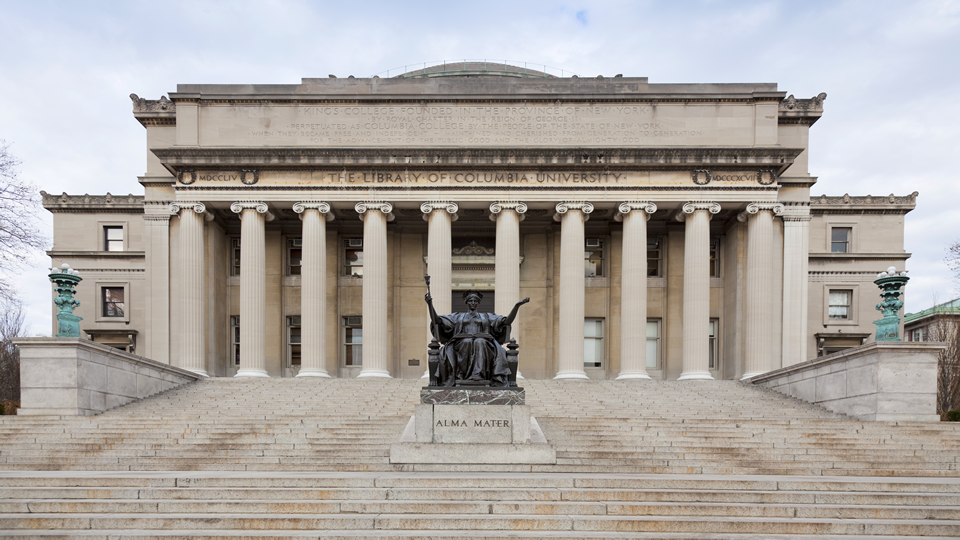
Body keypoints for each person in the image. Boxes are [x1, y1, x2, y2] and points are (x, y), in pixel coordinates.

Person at [425, 290, 529, 387]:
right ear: (466, 302)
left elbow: (506, 322)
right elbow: (438, 320)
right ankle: (462, 375)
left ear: (478, 303)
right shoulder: (457, 317)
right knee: (467, 342)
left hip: (484, 342)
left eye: (475, 301)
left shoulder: (486, 316)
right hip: (461, 342)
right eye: (470, 301)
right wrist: (430, 305)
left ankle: (478, 374)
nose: (473, 303)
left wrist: (516, 306)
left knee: (479, 341)